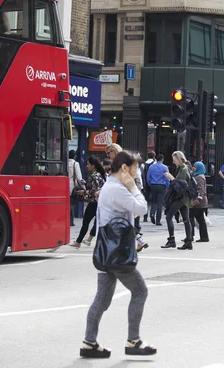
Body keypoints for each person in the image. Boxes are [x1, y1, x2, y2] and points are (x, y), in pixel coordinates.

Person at [79, 150, 156, 359]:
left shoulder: (109, 187)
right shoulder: (119, 189)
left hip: (106, 252)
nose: (136, 172)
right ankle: (134, 340)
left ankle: (89, 342)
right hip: (118, 254)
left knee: (102, 300)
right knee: (140, 290)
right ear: (124, 168)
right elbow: (141, 208)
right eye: (135, 168)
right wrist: (133, 187)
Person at [69, 156, 106, 248]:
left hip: (94, 202)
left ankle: (78, 242)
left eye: (88, 164)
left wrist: (83, 192)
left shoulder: (94, 176)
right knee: (96, 222)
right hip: (99, 202)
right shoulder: (99, 174)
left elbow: (95, 191)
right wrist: (86, 184)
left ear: (93, 165)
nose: (86, 166)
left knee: (86, 222)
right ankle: (85, 240)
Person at [162, 151, 193, 250]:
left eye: (174, 159)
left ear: (178, 159)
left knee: (168, 216)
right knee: (186, 219)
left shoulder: (183, 169)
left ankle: (172, 240)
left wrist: (171, 178)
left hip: (180, 198)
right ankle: (188, 241)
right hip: (184, 199)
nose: (173, 161)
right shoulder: (183, 168)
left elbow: (181, 186)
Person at [147, 154, 170, 226]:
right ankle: (158, 220)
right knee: (160, 203)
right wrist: (167, 186)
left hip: (153, 185)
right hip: (162, 185)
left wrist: (150, 184)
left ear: (155, 159)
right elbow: (167, 178)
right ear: (162, 159)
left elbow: (148, 177)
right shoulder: (165, 167)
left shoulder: (151, 167)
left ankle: (152, 213)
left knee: (154, 201)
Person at [190, 161, 209, 242]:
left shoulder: (199, 177)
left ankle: (190, 235)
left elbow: (201, 190)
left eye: (195, 166)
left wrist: (197, 199)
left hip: (199, 202)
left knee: (190, 216)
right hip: (200, 201)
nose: (193, 168)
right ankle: (204, 237)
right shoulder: (197, 176)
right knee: (200, 219)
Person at [68, 150, 83, 227]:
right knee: (71, 204)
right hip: (72, 186)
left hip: (64, 186)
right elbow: (79, 177)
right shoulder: (75, 164)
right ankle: (70, 221)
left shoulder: (65, 163)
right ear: (75, 156)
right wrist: (83, 186)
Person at [142, 151, 156, 222]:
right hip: (153, 184)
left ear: (147, 156)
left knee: (146, 201)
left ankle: (145, 216)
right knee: (154, 200)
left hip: (145, 184)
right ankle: (152, 213)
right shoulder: (155, 164)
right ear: (154, 156)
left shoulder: (144, 164)